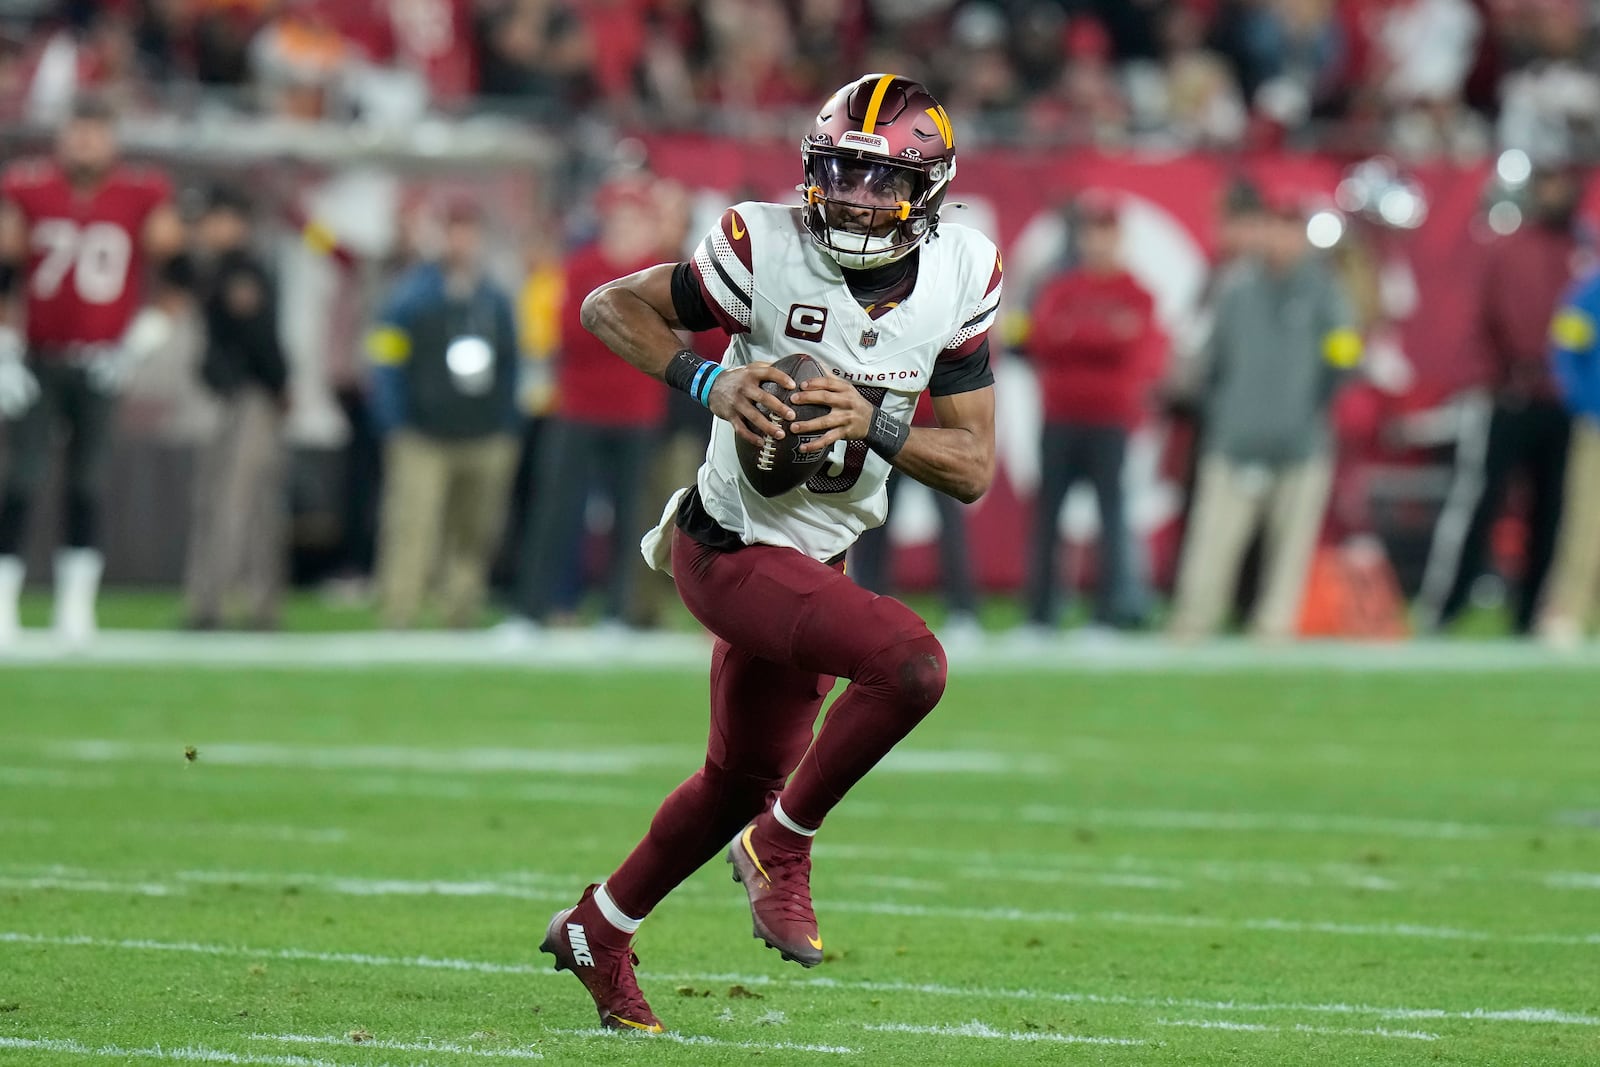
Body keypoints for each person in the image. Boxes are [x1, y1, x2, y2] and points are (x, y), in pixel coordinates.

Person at [538, 73, 1002, 1032]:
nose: (860, 198)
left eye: (884, 181)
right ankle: (785, 845)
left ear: (931, 190)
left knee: (735, 782)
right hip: (729, 549)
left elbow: (970, 467)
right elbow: (608, 307)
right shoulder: (764, 242)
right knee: (910, 664)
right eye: (843, 174)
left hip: (818, 561)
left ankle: (601, 925)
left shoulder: (964, 271)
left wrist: (871, 419)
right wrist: (707, 376)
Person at [0, 95, 186, 647]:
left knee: (89, 481)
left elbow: (176, 275)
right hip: (38, 357)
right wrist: (4, 347)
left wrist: (139, 341)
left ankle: (76, 609)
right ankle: (4, 609)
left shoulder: (141, 194)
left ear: (112, 139)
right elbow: (5, 271)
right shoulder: (28, 190)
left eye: (94, 133)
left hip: (103, 357)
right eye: (75, 133)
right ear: (61, 137)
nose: (84, 144)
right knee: (22, 479)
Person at [1167, 192, 1360, 640]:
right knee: (1211, 544)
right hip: (1235, 439)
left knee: (1289, 552)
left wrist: (1311, 408)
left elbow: (1344, 357)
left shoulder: (1325, 290)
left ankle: (1275, 629)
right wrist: (1221, 412)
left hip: (1300, 442)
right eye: (1275, 226)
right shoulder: (1235, 288)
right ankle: (1192, 624)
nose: (1281, 238)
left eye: (1290, 228)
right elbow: (1211, 360)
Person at [1417, 163, 1583, 635]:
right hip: (1511, 395)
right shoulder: (1511, 249)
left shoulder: (1580, 250)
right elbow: (1488, 319)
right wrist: (1494, 376)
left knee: (1551, 512)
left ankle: (1529, 615)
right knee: (1480, 504)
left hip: (1563, 402)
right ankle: (1446, 608)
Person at [506, 181, 668, 631]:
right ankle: (532, 610)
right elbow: (571, 333)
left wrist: (622, 333)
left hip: (637, 412)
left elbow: (666, 342)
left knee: (632, 515)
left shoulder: (659, 272)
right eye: (620, 219)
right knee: (555, 512)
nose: (626, 228)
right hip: (578, 409)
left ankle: (619, 613)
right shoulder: (582, 267)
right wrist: (637, 336)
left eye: (635, 219)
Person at [368, 199, 520, 629]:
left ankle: (461, 607)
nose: (461, 241)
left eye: (469, 231)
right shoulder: (410, 296)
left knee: (474, 529)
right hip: (423, 433)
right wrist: (394, 419)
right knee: (412, 525)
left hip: (484, 431)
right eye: (453, 230)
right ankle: (400, 608)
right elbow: (386, 357)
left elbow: (511, 362)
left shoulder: (493, 299)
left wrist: (508, 422)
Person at [1022, 190, 1161, 632]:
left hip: (1109, 421)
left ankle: (1108, 615)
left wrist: (1073, 334)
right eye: (1092, 232)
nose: (1098, 242)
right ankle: (1041, 615)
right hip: (1060, 417)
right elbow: (1041, 340)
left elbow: (1131, 346)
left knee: (1111, 519)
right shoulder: (1059, 286)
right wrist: (1100, 333)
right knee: (1048, 518)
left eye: (1106, 232)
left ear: (1119, 238)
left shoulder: (1136, 292)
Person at [183, 185, 289, 631]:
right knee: (250, 502)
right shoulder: (221, 269)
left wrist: (278, 384)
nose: (205, 228)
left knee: (233, 500)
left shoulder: (241, 272)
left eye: (213, 218)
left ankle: (216, 603)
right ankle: (259, 604)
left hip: (248, 397)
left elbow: (262, 341)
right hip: (241, 397)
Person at [1539, 266, 1600, 646]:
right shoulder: (1593, 290)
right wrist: (1583, 402)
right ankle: (1566, 612)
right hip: (1597, 424)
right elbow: (1565, 344)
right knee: (1586, 521)